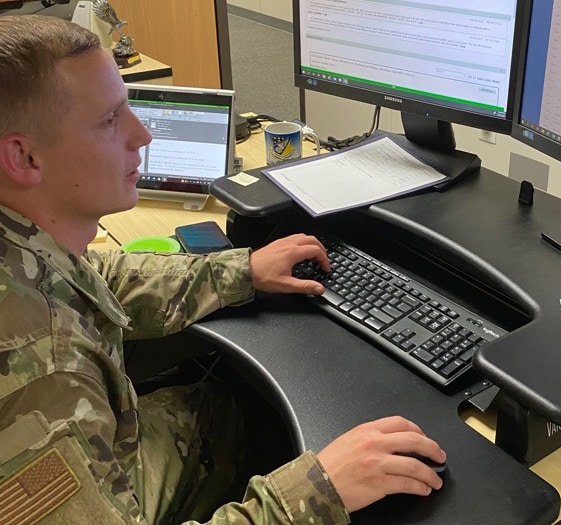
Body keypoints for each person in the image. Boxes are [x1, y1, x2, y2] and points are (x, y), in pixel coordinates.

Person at [0, 15, 445, 524]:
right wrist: (318, 491)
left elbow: (98, 277)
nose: (141, 134)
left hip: (114, 440)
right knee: (263, 426)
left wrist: (241, 270)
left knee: (231, 407)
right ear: (23, 157)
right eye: (109, 120)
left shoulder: (25, 245)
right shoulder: (40, 372)